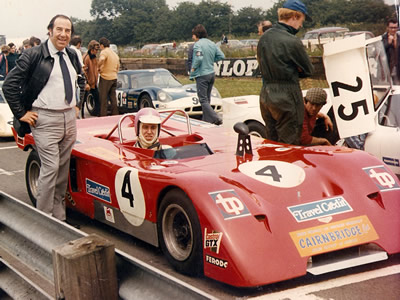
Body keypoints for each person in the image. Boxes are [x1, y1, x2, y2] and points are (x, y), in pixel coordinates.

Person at [2, 14, 85, 223]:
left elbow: (80, 81)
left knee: (62, 171)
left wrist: (76, 104)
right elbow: (9, 85)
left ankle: (60, 218)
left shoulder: (72, 55)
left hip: (68, 118)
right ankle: (45, 221)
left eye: (68, 31)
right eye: (59, 29)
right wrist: (21, 113)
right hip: (45, 119)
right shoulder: (33, 55)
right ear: (50, 30)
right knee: (50, 169)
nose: (64, 34)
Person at [257, 0, 314, 145]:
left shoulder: (263, 38)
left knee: (272, 142)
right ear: (295, 16)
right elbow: (308, 70)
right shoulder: (292, 41)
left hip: (266, 94)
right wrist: (295, 70)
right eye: (301, 20)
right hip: (287, 95)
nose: (301, 25)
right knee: (290, 144)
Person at [190, 24, 225, 125]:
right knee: (207, 99)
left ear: (197, 35)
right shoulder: (212, 43)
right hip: (211, 74)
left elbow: (199, 58)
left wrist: (193, 68)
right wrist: (211, 60)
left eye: (193, 35)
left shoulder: (197, 45)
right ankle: (206, 121)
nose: (192, 37)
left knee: (203, 100)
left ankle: (215, 118)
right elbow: (221, 56)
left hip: (202, 75)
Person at [98, 37, 120, 116]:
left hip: (105, 77)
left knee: (103, 99)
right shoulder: (114, 54)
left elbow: (102, 59)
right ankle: (115, 115)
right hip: (114, 77)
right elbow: (118, 67)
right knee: (113, 99)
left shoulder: (104, 52)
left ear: (102, 45)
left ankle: (103, 116)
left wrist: (98, 67)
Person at [83, 40, 100, 116]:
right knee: (83, 100)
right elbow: (84, 71)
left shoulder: (94, 57)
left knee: (97, 98)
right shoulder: (86, 58)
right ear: (91, 49)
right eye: (96, 50)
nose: (97, 51)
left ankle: (97, 114)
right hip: (88, 83)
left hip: (94, 83)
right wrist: (86, 83)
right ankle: (82, 114)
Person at [382, 18, 400, 84]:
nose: (393, 30)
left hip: (398, 69)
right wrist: (388, 43)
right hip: (386, 68)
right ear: (387, 27)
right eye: (391, 27)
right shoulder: (383, 38)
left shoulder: (399, 37)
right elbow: (380, 52)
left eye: (395, 28)